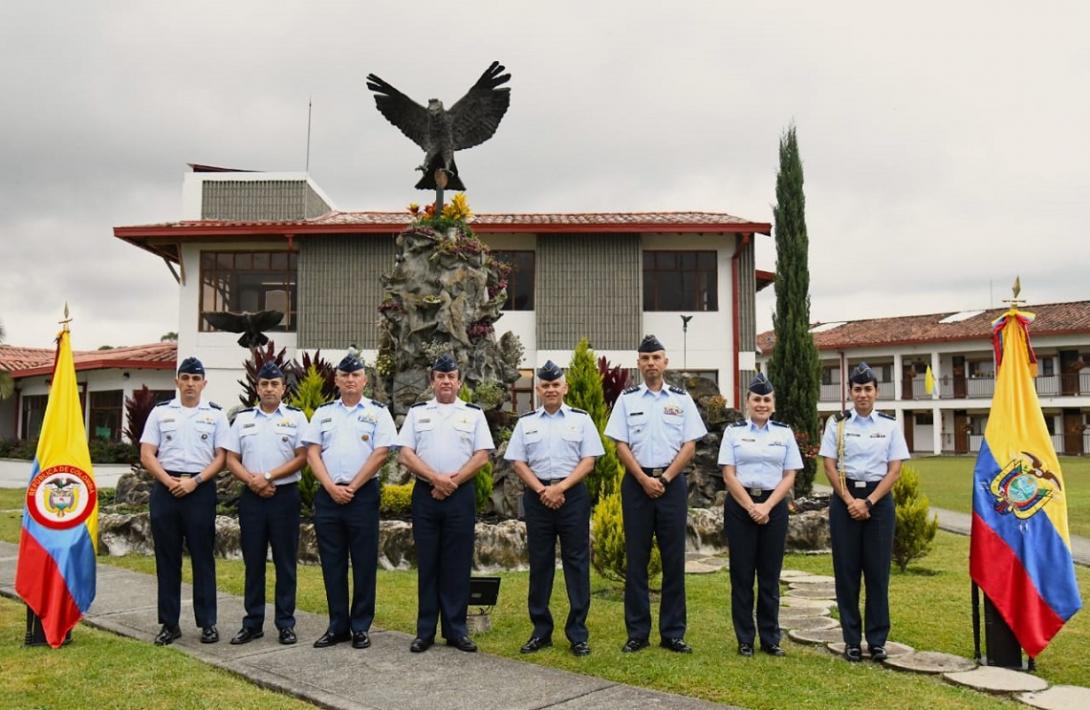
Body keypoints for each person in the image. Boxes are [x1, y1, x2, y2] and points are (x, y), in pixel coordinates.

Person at [604, 335, 707, 653]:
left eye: (656, 357)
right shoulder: (627, 399)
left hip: (672, 485)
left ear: (665, 362)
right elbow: (620, 444)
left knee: (673, 559)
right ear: (639, 363)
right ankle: (637, 633)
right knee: (637, 559)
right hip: (637, 485)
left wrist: (664, 478)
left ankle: (673, 633)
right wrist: (643, 479)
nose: (651, 363)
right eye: (646, 358)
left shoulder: (681, 399)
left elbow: (690, 444)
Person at [505, 360, 604, 657]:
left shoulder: (581, 420)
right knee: (540, 564)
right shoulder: (526, 423)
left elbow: (589, 461)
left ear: (565, 387)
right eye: (545, 385)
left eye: (555, 384)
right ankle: (541, 630)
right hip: (537, 498)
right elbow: (517, 462)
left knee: (576, 564)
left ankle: (578, 634)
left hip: (571, 497)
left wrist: (560, 488)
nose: (550, 390)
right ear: (538, 389)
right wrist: (541, 489)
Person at [397, 354, 495, 653]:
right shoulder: (417, 413)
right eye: (440, 377)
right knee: (428, 563)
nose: (446, 381)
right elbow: (405, 453)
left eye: (451, 376)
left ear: (459, 381)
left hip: (460, 495)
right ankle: (425, 631)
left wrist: (450, 482)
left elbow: (482, 456)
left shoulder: (474, 414)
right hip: (426, 494)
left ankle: (456, 630)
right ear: (433, 381)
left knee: (457, 564)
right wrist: (436, 479)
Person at [302, 354, 397, 650]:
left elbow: (381, 453)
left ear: (365, 380)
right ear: (337, 380)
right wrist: (330, 486)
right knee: (332, 562)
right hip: (329, 495)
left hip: (362, 494)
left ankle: (360, 626)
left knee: (364, 562)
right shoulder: (323, 412)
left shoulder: (378, 412)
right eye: (345, 375)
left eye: (356, 375)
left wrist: (353, 486)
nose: (350, 379)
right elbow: (312, 452)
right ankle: (337, 625)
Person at [819, 362, 910, 662]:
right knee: (846, 573)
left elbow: (894, 470)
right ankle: (851, 641)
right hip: (845, 500)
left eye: (867, 389)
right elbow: (829, 465)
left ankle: (877, 639)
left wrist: (868, 502)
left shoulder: (889, 425)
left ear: (876, 392)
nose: (862, 395)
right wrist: (849, 501)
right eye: (857, 389)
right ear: (850, 392)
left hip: (878, 503)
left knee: (877, 573)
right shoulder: (838, 424)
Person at [139, 356, 230, 646]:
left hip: (199, 490)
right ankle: (169, 623)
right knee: (167, 558)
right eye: (185, 378)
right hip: (166, 490)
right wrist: (168, 481)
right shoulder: (160, 413)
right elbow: (147, 453)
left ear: (204, 383)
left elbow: (222, 457)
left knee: (203, 557)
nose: (190, 384)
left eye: (196, 379)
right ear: (176, 381)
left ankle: (208, 623)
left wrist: (195, 482)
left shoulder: (215, 414)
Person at [224, 362, 309, 646]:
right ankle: (253, 623)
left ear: (284, 388)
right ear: (257, 388)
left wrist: (269, 477)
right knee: (254, 562)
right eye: (264, 384)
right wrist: (252, 481)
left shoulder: (296, 419)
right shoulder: (243, 419)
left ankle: (285, 623)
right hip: (252, 497)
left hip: (284, 497)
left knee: (285, 563)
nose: (269, 389)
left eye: (275, 384)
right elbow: (230, 458)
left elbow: (302, 456)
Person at [718, 373, 802, 657]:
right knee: (742, 576)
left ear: (773, 404)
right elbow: (729, 475)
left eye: (767, 399)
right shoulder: (733, 432)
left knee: (769, 576)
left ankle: (770, 638)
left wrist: (766, 507)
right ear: (748, 402)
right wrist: (751, 507)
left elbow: (789, 475)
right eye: (757, 399)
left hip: (774, 507)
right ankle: (745, 639)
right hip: (741, 507)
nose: (762, 404)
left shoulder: (784, 433)